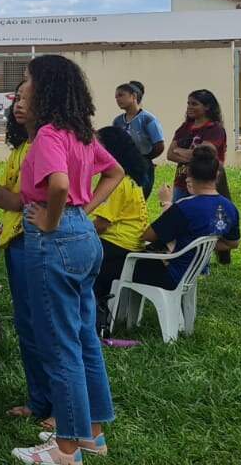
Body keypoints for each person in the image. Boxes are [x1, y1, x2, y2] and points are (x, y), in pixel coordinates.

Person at [12, 54, 124, 465]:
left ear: (44, 88)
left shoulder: (47, 136)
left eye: (26, 80)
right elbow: (115, 173)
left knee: (60, 346)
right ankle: (93, 434)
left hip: (55, 240)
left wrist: (52, 219)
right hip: (83, 239)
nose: (21, 89)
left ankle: (65, 449)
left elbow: (57, 183)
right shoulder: (82, 134)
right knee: (83, 337)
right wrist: (84, 210)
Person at [0, 81, 52, 427]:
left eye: (28, 99)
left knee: (44, 325)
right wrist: (16, 200)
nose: (19, 104)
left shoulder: (46, 145)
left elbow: (32, 199)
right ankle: (38, 400)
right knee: (27, 324)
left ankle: (60, 407)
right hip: (15, 242)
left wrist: (16, 200)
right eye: (17, 98)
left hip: (36, 243)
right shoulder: (21, 149)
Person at [136, 146, 241, 289]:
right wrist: (200, 246)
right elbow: (232, 244)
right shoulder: (230, 208)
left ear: (188, 176)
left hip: (172, 275)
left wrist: (166, 202)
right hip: (191, 274)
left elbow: (148, 236)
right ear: (217, 175)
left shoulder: (184, 207)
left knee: (121, 263)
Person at [90, 126, 151, 335]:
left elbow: (101, 224)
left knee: (75, 260)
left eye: (97, 146)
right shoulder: (132, 179)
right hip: (129, 247)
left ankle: (94, 320)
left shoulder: (117, 182)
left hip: (117, 247)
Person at [166, 89, 228, 203]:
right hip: (181, 182)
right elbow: (170, 154)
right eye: (188, 103)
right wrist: (195, 155)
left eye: (194, 104)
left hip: (205, 183)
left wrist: (179, 150)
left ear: (207, 107)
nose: (189, 107)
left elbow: (205, 153)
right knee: (179, 216)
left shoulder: (215, 129)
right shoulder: (184, 127)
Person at [112, 81, 164, 194]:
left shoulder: (148, 119)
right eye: (116, 97)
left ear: (133, 96)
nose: (117, 99)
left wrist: (144, 158)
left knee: (139, 197)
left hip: (143, 166)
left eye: (121, 95)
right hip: (123, 166)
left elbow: (159, 145)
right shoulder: (118, 121)